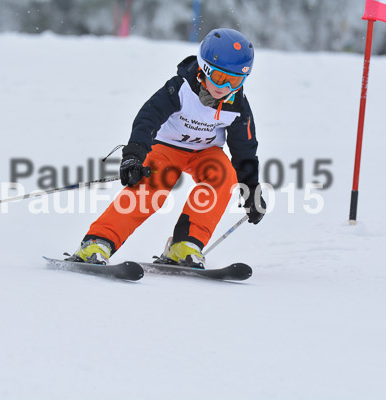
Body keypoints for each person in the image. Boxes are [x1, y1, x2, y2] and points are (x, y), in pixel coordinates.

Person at [69, 28, 266, 268]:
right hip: (167, 147)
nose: (224, 88)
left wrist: (251, 189)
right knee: (151, 185)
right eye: (218, 77)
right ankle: (98, 242)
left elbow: (244, 149)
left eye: (234, 81)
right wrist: (134, 155)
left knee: (224, 175)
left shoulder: (237, 105)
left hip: (205, 153)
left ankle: (185, 245)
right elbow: (148, 118)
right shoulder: (180, 88)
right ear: (204, 67)